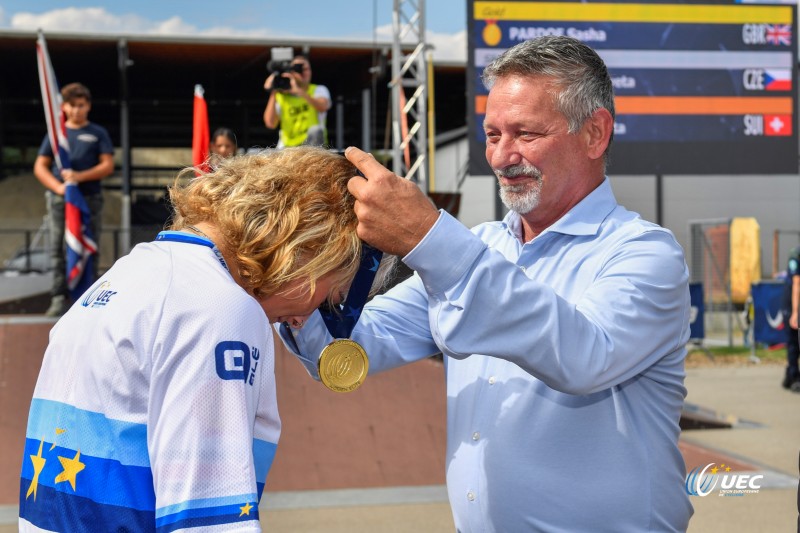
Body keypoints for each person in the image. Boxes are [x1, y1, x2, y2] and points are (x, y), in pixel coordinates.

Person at [280, 36, 693, 531]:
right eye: (493, 134)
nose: (501, 157)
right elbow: (362, 340)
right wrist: (299, 281)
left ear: (594, 134)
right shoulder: (478, 248)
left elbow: (585, 357)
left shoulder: (645, 253)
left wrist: (429, 237)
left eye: (525, 133)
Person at [18, 147, 364, 532]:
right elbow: (206, 520)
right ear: (308, 246)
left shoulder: (129, 269)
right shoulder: (219, 307)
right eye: (330, 294)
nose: (303, 320)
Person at [33, 82, 114, 317]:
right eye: (72, 105)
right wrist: (59, 188)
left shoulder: (98, 133)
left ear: (88, 106)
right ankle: (59, 296)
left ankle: (87, 294)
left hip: (90, 198)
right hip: (61, 201)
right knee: (58, 246)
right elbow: (40, 166)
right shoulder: (57, 135)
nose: (77, 110)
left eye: (81, 105)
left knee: (90, 244)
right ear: (64, 108)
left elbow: (107, 165)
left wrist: (79, 177)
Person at [262, 54, 331, 148]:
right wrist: (274, 90)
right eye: (298, 69)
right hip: (288, 148)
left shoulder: (318, 90)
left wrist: (299, 91)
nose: (303, 73)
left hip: (311, 147)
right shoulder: (281, 96)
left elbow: (323, 106)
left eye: (306, 69)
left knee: (316, 130)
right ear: (291, 73)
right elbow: (270, 124)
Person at [781, 246, 800, 391]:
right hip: (793, 303)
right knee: (793, 341)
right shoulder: (796, 255)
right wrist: (795, 312)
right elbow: (796, 284)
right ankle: (794, 376)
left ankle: (790, 374)